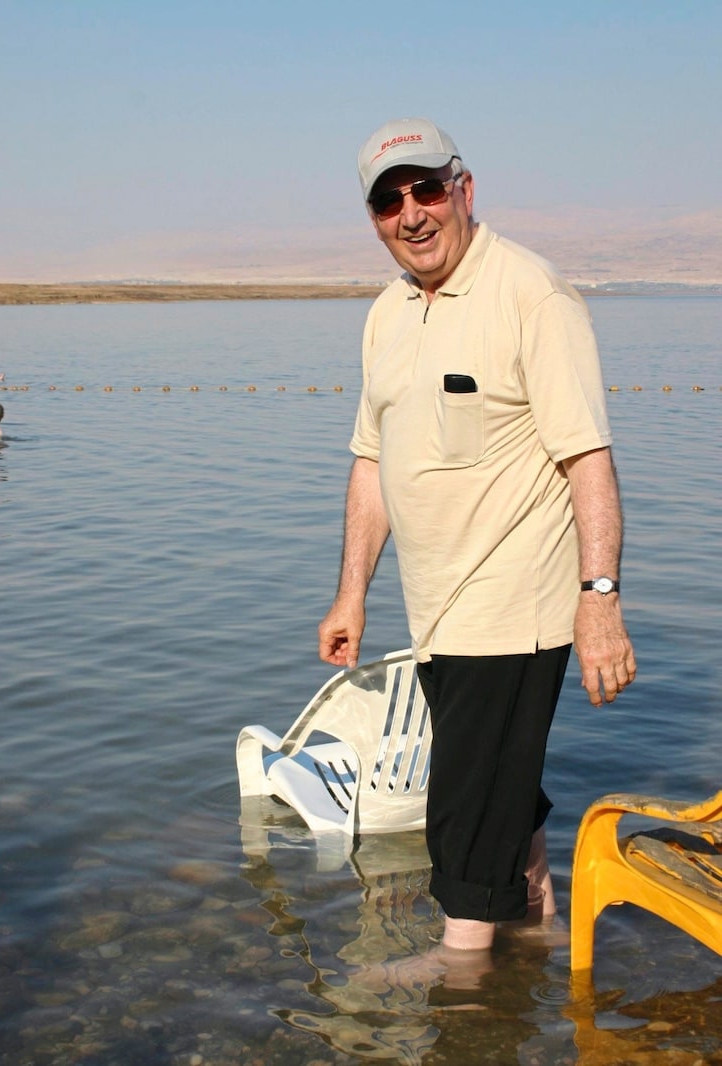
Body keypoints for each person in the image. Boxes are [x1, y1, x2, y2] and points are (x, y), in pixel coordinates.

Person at [318, 118, 636, 956]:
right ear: (374, 217)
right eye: (390, 201)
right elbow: (370, 461)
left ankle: (462, 991)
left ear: (463, 188)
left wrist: (600, 600)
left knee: (461, 813)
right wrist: (352, 591)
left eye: (426, 189)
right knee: (498, 790)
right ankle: (537, 936)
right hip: (439, 611)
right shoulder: (388, 313)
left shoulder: (531, 294)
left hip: (516, 607)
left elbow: (589, 462)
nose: (411, 214)